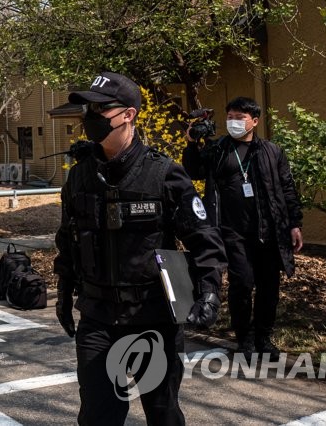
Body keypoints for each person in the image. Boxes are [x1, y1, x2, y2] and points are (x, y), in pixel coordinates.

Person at [54, 72, 226, 426]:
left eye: (100, 109)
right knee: (97, 416)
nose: (90, 117)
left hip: (153, 318)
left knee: (162, 414)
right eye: (88, 109)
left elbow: (203, 237)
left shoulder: (164, 174)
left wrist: (210, 291)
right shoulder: (81, 176)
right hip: (98, 318)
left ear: (128, 114)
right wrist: (62, 290)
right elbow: (68, 238)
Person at [182, 96, 303, 359]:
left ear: (255, 121)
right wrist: (192, 142)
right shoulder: (218, 150)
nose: (234, 122)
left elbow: (287, 189)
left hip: (269, 231)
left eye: (240, 118)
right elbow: (193, 171)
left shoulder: (272, 151)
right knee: (242, 284)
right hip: (232, 231)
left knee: (269, 287)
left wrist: (294, 224)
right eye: (230, 117)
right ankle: (244, 339)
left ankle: (264, 337)